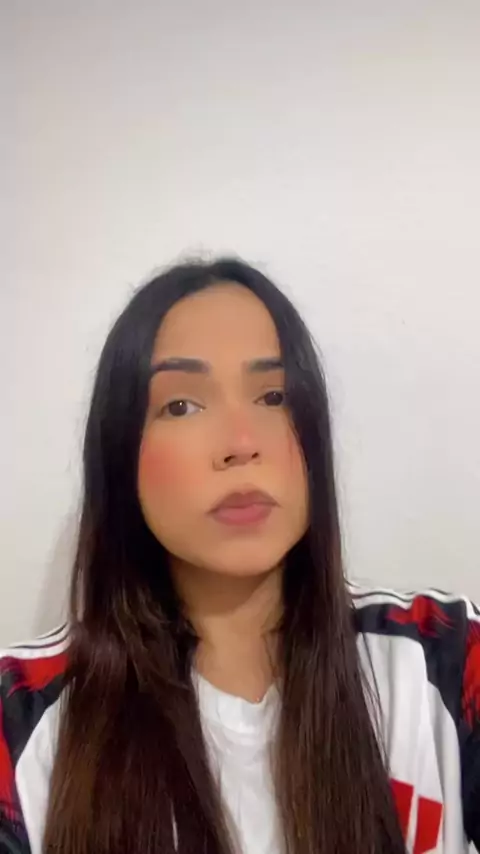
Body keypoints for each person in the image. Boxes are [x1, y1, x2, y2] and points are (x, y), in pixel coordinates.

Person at [0, 258, 478, 854]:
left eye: (273, 396)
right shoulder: (20, 718)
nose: (241, 443)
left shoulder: (441, 660)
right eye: (182, 406)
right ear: (120, 453)